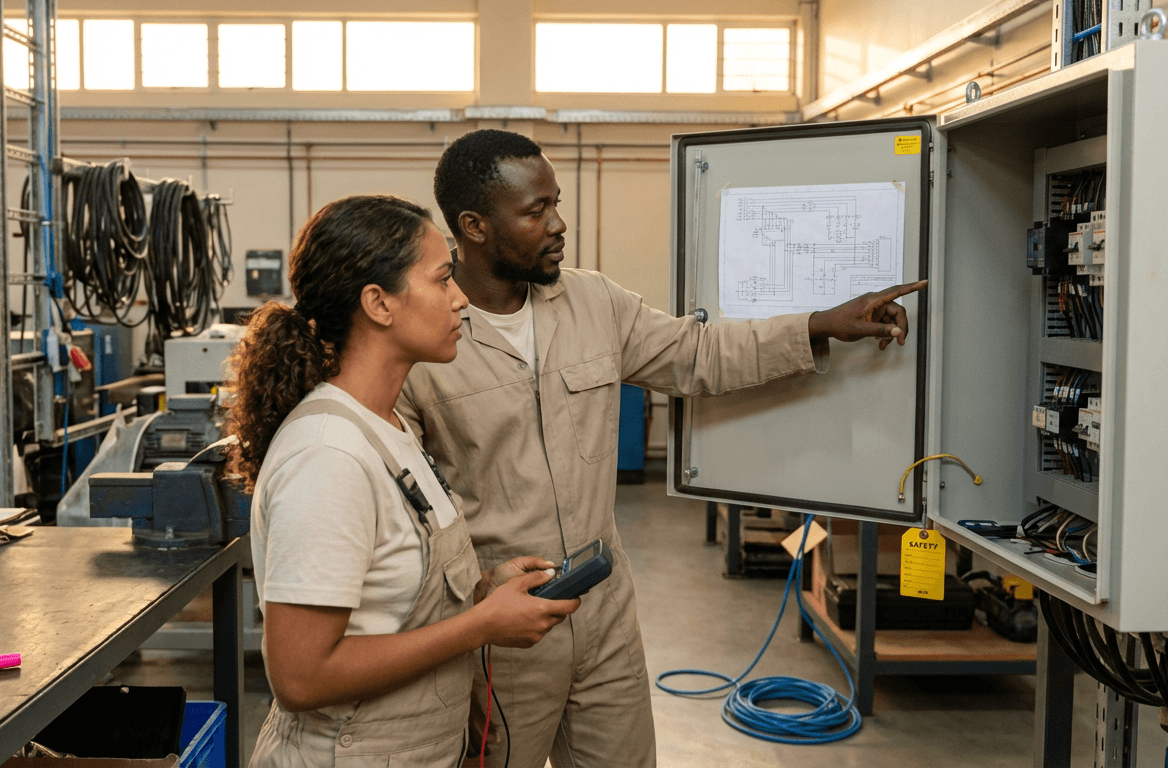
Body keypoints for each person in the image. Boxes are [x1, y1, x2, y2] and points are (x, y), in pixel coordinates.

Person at [397, 129, 927, 767]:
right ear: (474, 226)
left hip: (603, 609)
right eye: (536, 212)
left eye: (556, 203)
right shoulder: (426, 341)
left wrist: (819, 325)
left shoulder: (593, 301)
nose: (559, 224)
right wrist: (471, 608)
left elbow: (699, 353)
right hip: (505, 628)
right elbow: (409, 521)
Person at [225, 194, 581, 768]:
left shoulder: (386, 426)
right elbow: (300, 677)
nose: (460, 298)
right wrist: (479, 627)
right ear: (378, 303)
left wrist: (483, 592)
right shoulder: (327, 456)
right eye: (442, 279)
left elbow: (386, 598)